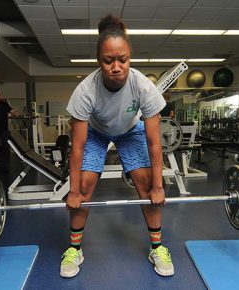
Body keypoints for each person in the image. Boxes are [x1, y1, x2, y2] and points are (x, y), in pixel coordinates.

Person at [61, 15, 174, 278]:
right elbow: (76, 148)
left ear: (130, 56)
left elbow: (154, 142)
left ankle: (157, 247)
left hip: (130, 130)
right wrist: (74, 191)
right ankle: (74, 249)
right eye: (108, 60)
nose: (116, 66)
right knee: (85, 185)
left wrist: (158, 187)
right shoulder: (85, 90)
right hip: (96, 133)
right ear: (98, 60)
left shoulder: (143, 87)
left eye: (122, 59)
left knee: (146, 185)